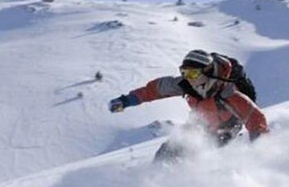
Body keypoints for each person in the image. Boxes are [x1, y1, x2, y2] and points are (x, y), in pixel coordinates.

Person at [109, 49, 269, 162]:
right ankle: (157, 180)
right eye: (184, 72)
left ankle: (196, 184)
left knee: (197, 153)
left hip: (225, 128)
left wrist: (260, 146)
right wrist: (126, 101)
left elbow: (255, 117)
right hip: (199, 123)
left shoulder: (229, 93)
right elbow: (154, 90)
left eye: (193, 73)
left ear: (207, 72)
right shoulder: (184, 84)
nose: (188, 78)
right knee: (168, 150)